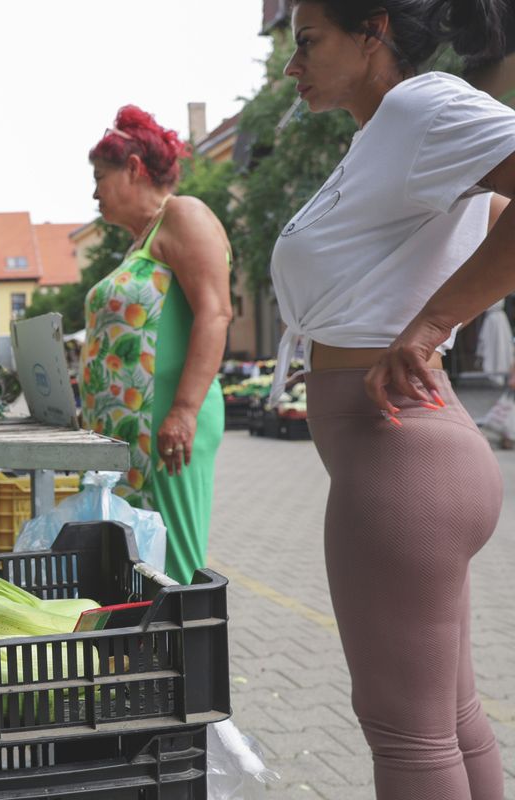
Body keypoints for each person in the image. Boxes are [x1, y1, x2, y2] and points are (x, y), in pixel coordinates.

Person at [270, 2, 515, 796]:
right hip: (416, 452)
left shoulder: (421, 105)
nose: (290, 65)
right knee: (448, 720)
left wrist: (436, 320)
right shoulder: (387, 136)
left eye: (308, 42)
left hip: (400, 454)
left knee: (407, 737)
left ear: (373, 30)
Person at [79, 106, 233, 584]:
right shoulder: (141, 242)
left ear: (133, 168)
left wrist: (184, 411)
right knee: (142, 565)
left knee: (177, 564)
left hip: (169, 425)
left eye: (100, 177)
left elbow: (215, 311)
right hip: (134, 433)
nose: (94, 191)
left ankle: (193, 655)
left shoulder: (183, 214)